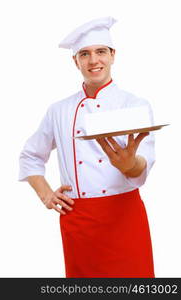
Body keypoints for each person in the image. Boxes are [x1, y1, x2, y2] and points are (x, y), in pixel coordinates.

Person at [19, 16, 156, 278]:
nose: (94, 61)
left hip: (124, 216)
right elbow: (30, 156)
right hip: (78, 220)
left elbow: (143, 164)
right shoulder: (59, 110)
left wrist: (130, 165)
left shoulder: (135, 105)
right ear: (76, 61)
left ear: (113, 55)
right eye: (85, 54)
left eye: (101, 52)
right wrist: (46, 194)